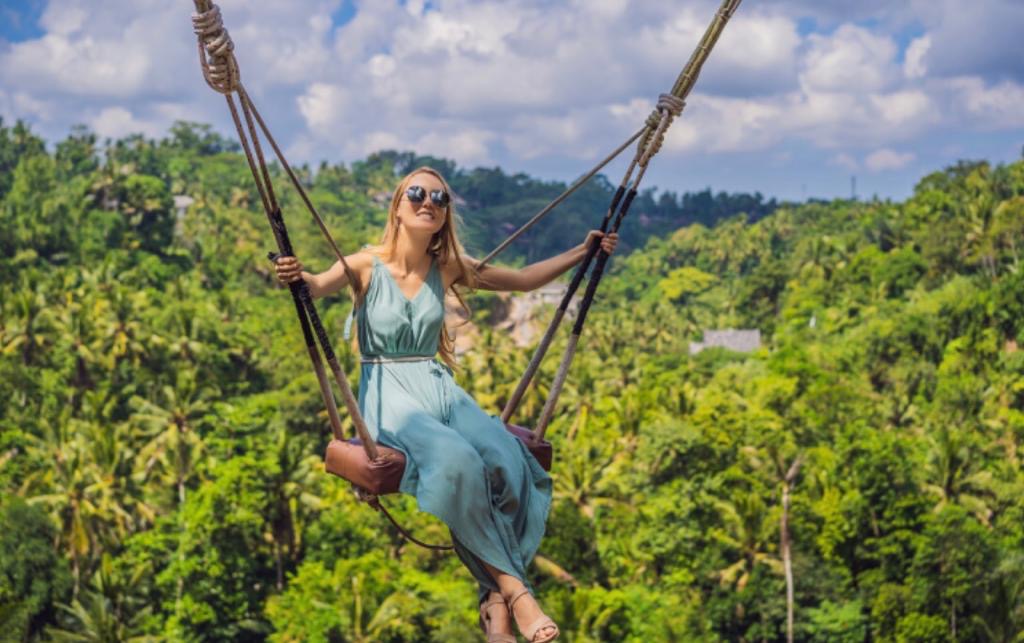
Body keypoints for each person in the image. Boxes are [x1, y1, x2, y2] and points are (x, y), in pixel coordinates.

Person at [275, 166, 618, 642]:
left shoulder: (448, 268)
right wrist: (296, 276)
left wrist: (583, 252)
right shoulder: (364, 264)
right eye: (416, 192)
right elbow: (313, 286)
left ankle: (494, 603)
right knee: (457, 463)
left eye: (439, 197)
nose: (427, 201)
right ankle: (516, 593)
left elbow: (521, 281)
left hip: (438, 386)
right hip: (387, 389)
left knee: (505, 458)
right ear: (397, 205)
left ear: (444, 214)